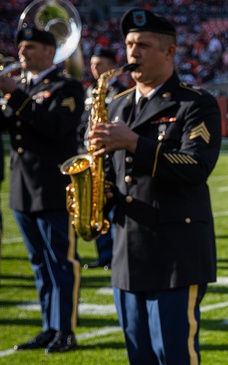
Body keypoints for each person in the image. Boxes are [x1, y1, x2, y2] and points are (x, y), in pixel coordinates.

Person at [89, 9, 222, 365]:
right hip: (129, 244)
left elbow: (196, 167)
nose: (132, 53)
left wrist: (136, 145)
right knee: (140, 351)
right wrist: (97, 189)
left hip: (175, 250)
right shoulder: (120, 102)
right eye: (129, 44)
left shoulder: (194, 103)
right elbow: (112, 172)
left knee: (172, 351)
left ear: (169, 51)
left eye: (142, 45)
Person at [1, 26, 85, 354]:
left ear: (50, 52)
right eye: (21, 47)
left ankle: (67, 329)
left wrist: (15, 94)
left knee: (61, 261)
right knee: (39, 262)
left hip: (53, 188)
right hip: (22, 188)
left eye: (30, 47)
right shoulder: (19, 87)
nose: (22, 53)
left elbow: (54, 128)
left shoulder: (67, 87)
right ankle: (49, 326)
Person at [81, 47, 130, 271]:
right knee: (95, 206)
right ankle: (103, 255)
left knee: (113, 211)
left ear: (111, 67)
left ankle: (116, 255)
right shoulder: (89, 91)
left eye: (99, 64)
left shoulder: (122, 92)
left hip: (111, 159)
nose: (94, 68)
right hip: (91, 156)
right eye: (92, 64)